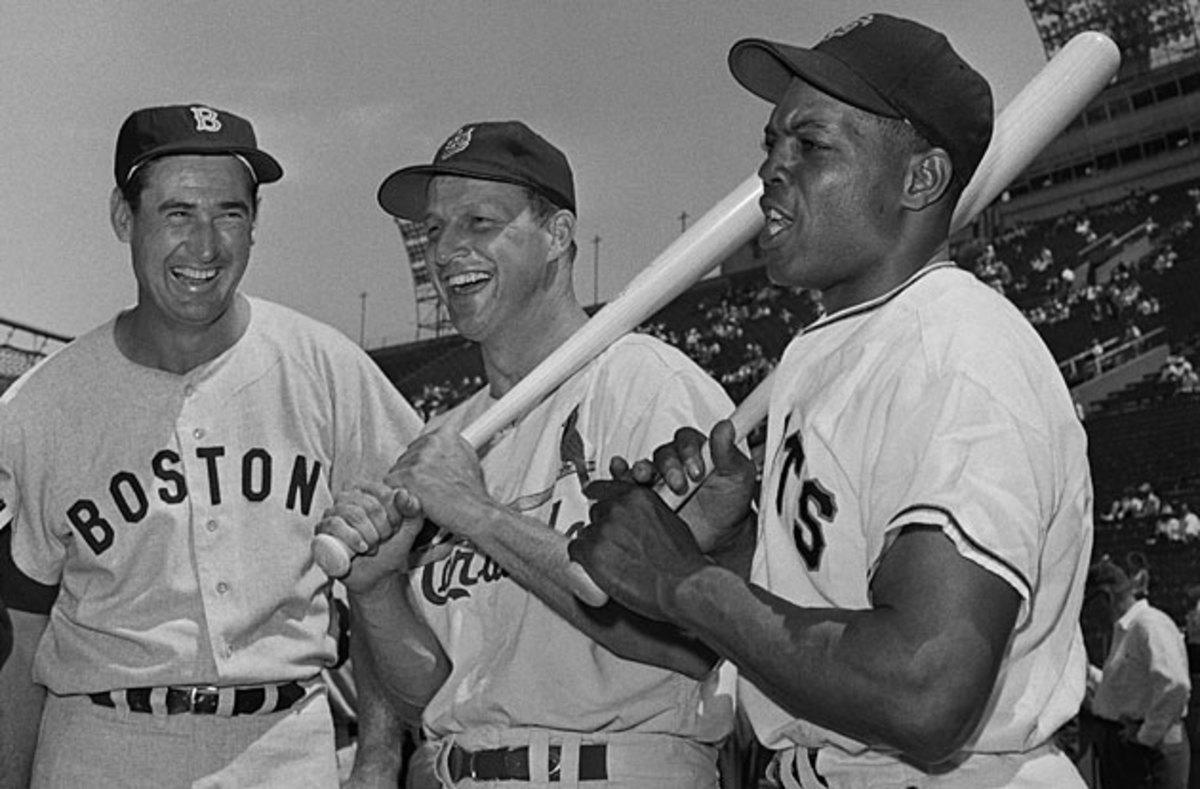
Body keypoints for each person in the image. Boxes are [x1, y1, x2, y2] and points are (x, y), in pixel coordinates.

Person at [569, 13, 1094, 787]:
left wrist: (685, 580)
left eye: (811, 146)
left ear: (921, 179)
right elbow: (836, 609)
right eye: (771, 146)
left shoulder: (957, 350)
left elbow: (926, 687)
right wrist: (731, 540)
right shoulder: (828, 349)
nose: (771, 172)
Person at [0, 103, 424, 787]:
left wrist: (378, 755)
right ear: (123, 217)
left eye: (229, 213)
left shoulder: (327, 368)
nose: (205, 246)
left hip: (286, 743)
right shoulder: (39, 409)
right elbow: (18, 637)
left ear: (255, 225)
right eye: (177, 213)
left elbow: (388, 579)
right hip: (103, 747)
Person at [319, 121, 736, 787]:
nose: (448, 249)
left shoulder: (648, 388)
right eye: (435, 230)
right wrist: (374, 587)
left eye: (479, 221)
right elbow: (429, 695)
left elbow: (691, 639)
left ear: (558, 235)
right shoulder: (445, 436)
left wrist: (480, 514)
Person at [1084, 559, 1190, 789]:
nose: (1090, 617)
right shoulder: (1126, 630)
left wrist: (1145, 736)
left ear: (1105, 597)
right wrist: (1087, 672)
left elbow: (1175, 685)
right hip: (1127, 746)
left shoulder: (1149, 625)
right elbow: (1129, 691)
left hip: (1146, 754)